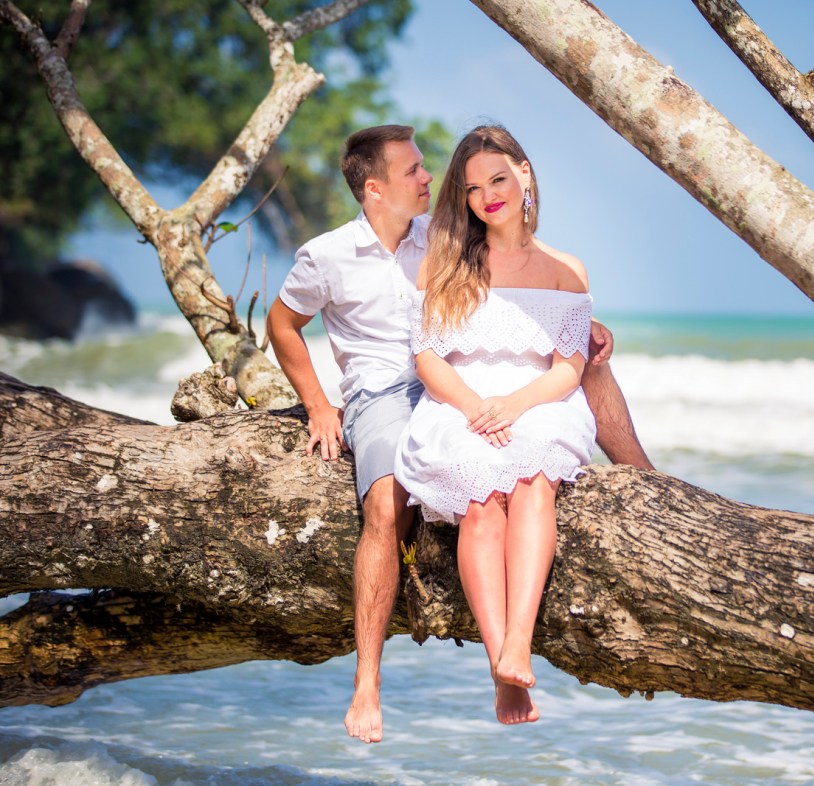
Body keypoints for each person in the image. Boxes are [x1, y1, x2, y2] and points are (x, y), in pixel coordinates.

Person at [266, 125, 652, 743]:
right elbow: (283, 323)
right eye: (413, 171)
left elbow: (524, 295)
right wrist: (317, 404)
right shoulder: (330, 255)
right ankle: (367, 681)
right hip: (388, 390)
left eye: (428, 169)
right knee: (388, 505)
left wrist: (584, 324)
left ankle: (646, 481)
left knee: (588, 368)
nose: (428, 178)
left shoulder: (441, 234)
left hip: (473, 383)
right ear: (375, 189)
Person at [393, 124, 597, 725]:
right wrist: (473, 405)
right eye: (474, 188)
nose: (488, 196)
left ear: (524, 174)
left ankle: (519, 646)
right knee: (482, 502)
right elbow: (428, 358)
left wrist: (515, 404)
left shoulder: (565, 269)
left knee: (533, 482)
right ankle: (499, 669)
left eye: (499, 179)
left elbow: (569, 368)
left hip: (539, 401)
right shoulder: (448, 263)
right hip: (459, 403)